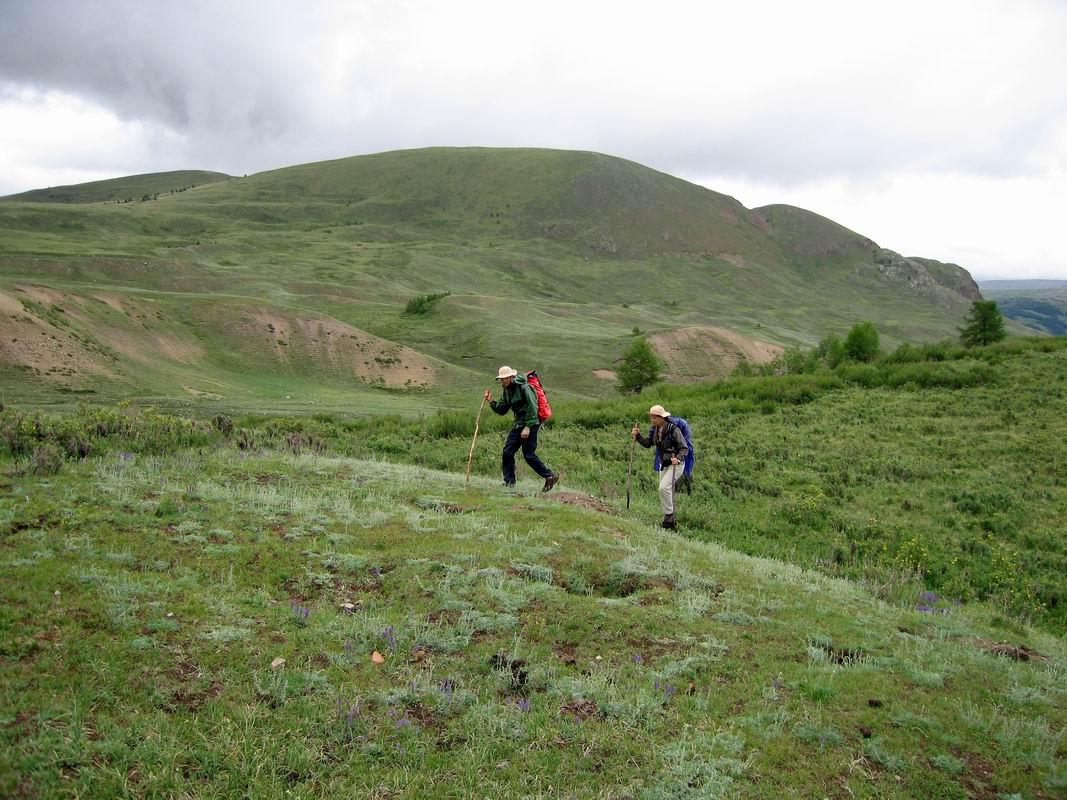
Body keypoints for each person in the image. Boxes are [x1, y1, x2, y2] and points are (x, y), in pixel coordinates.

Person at [484, 366, 559, 491]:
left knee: (529, 455)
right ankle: (509, 482)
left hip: (531, 422)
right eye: (501, 379)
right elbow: (502, 409)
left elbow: (533, 406)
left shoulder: (524, 387)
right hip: (518, 424)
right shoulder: (506, 390)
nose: (502, 381)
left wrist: (528, 427)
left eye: (504, 378)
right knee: (507, 452)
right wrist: (491, 401)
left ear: (511, 377)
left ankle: (550, 476)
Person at [631, 404, 688, 529]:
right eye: (651, 417)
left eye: (655, 418)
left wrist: (678, 458)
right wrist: (638, 436)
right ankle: (668, 518)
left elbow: (684, 448)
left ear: (662, 417)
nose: (652, 420)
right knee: (663, 490)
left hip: (676, 465)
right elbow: (648, 443)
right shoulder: (655, 430)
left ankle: (669, 519)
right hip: (664, 464)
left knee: (663, 488)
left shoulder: (674, 430)